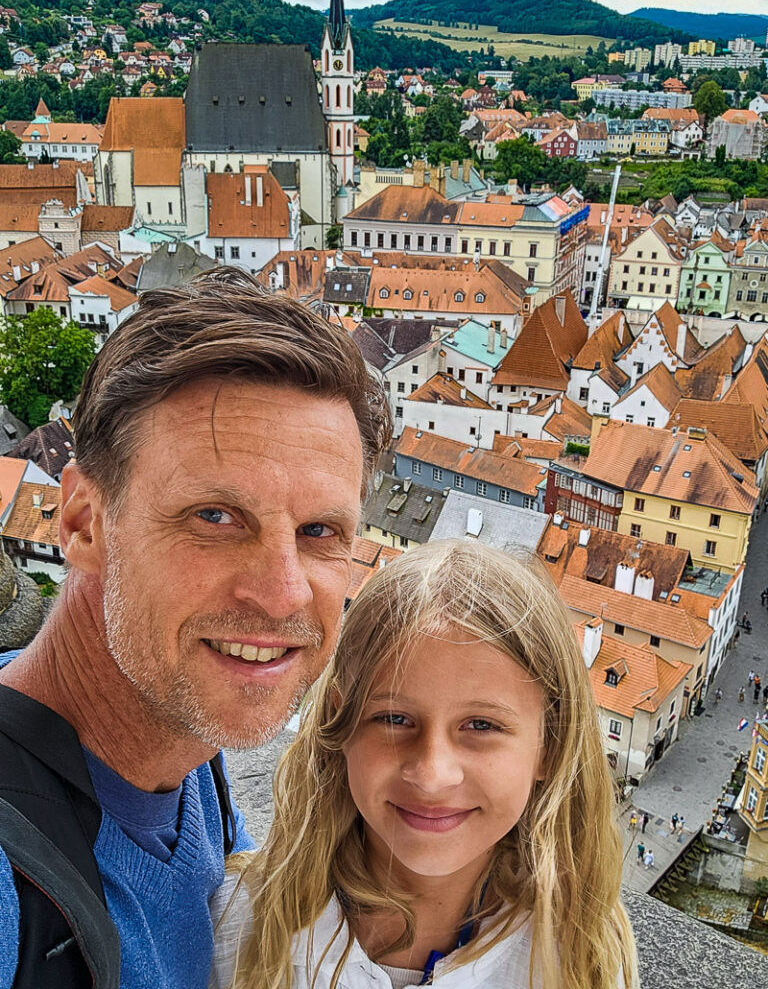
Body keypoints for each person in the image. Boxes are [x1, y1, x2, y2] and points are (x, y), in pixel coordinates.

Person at [0, 267, 391, 988]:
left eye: (319, 530)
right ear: (85, 522)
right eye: (215, 517)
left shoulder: (187, 754)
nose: (282, 594)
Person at [210, 541, 639, 989]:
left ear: (549, 747)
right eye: (394, 719)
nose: (432, 775)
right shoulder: (242, 925)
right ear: (341, 724)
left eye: (480, 725)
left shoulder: (580, 954)